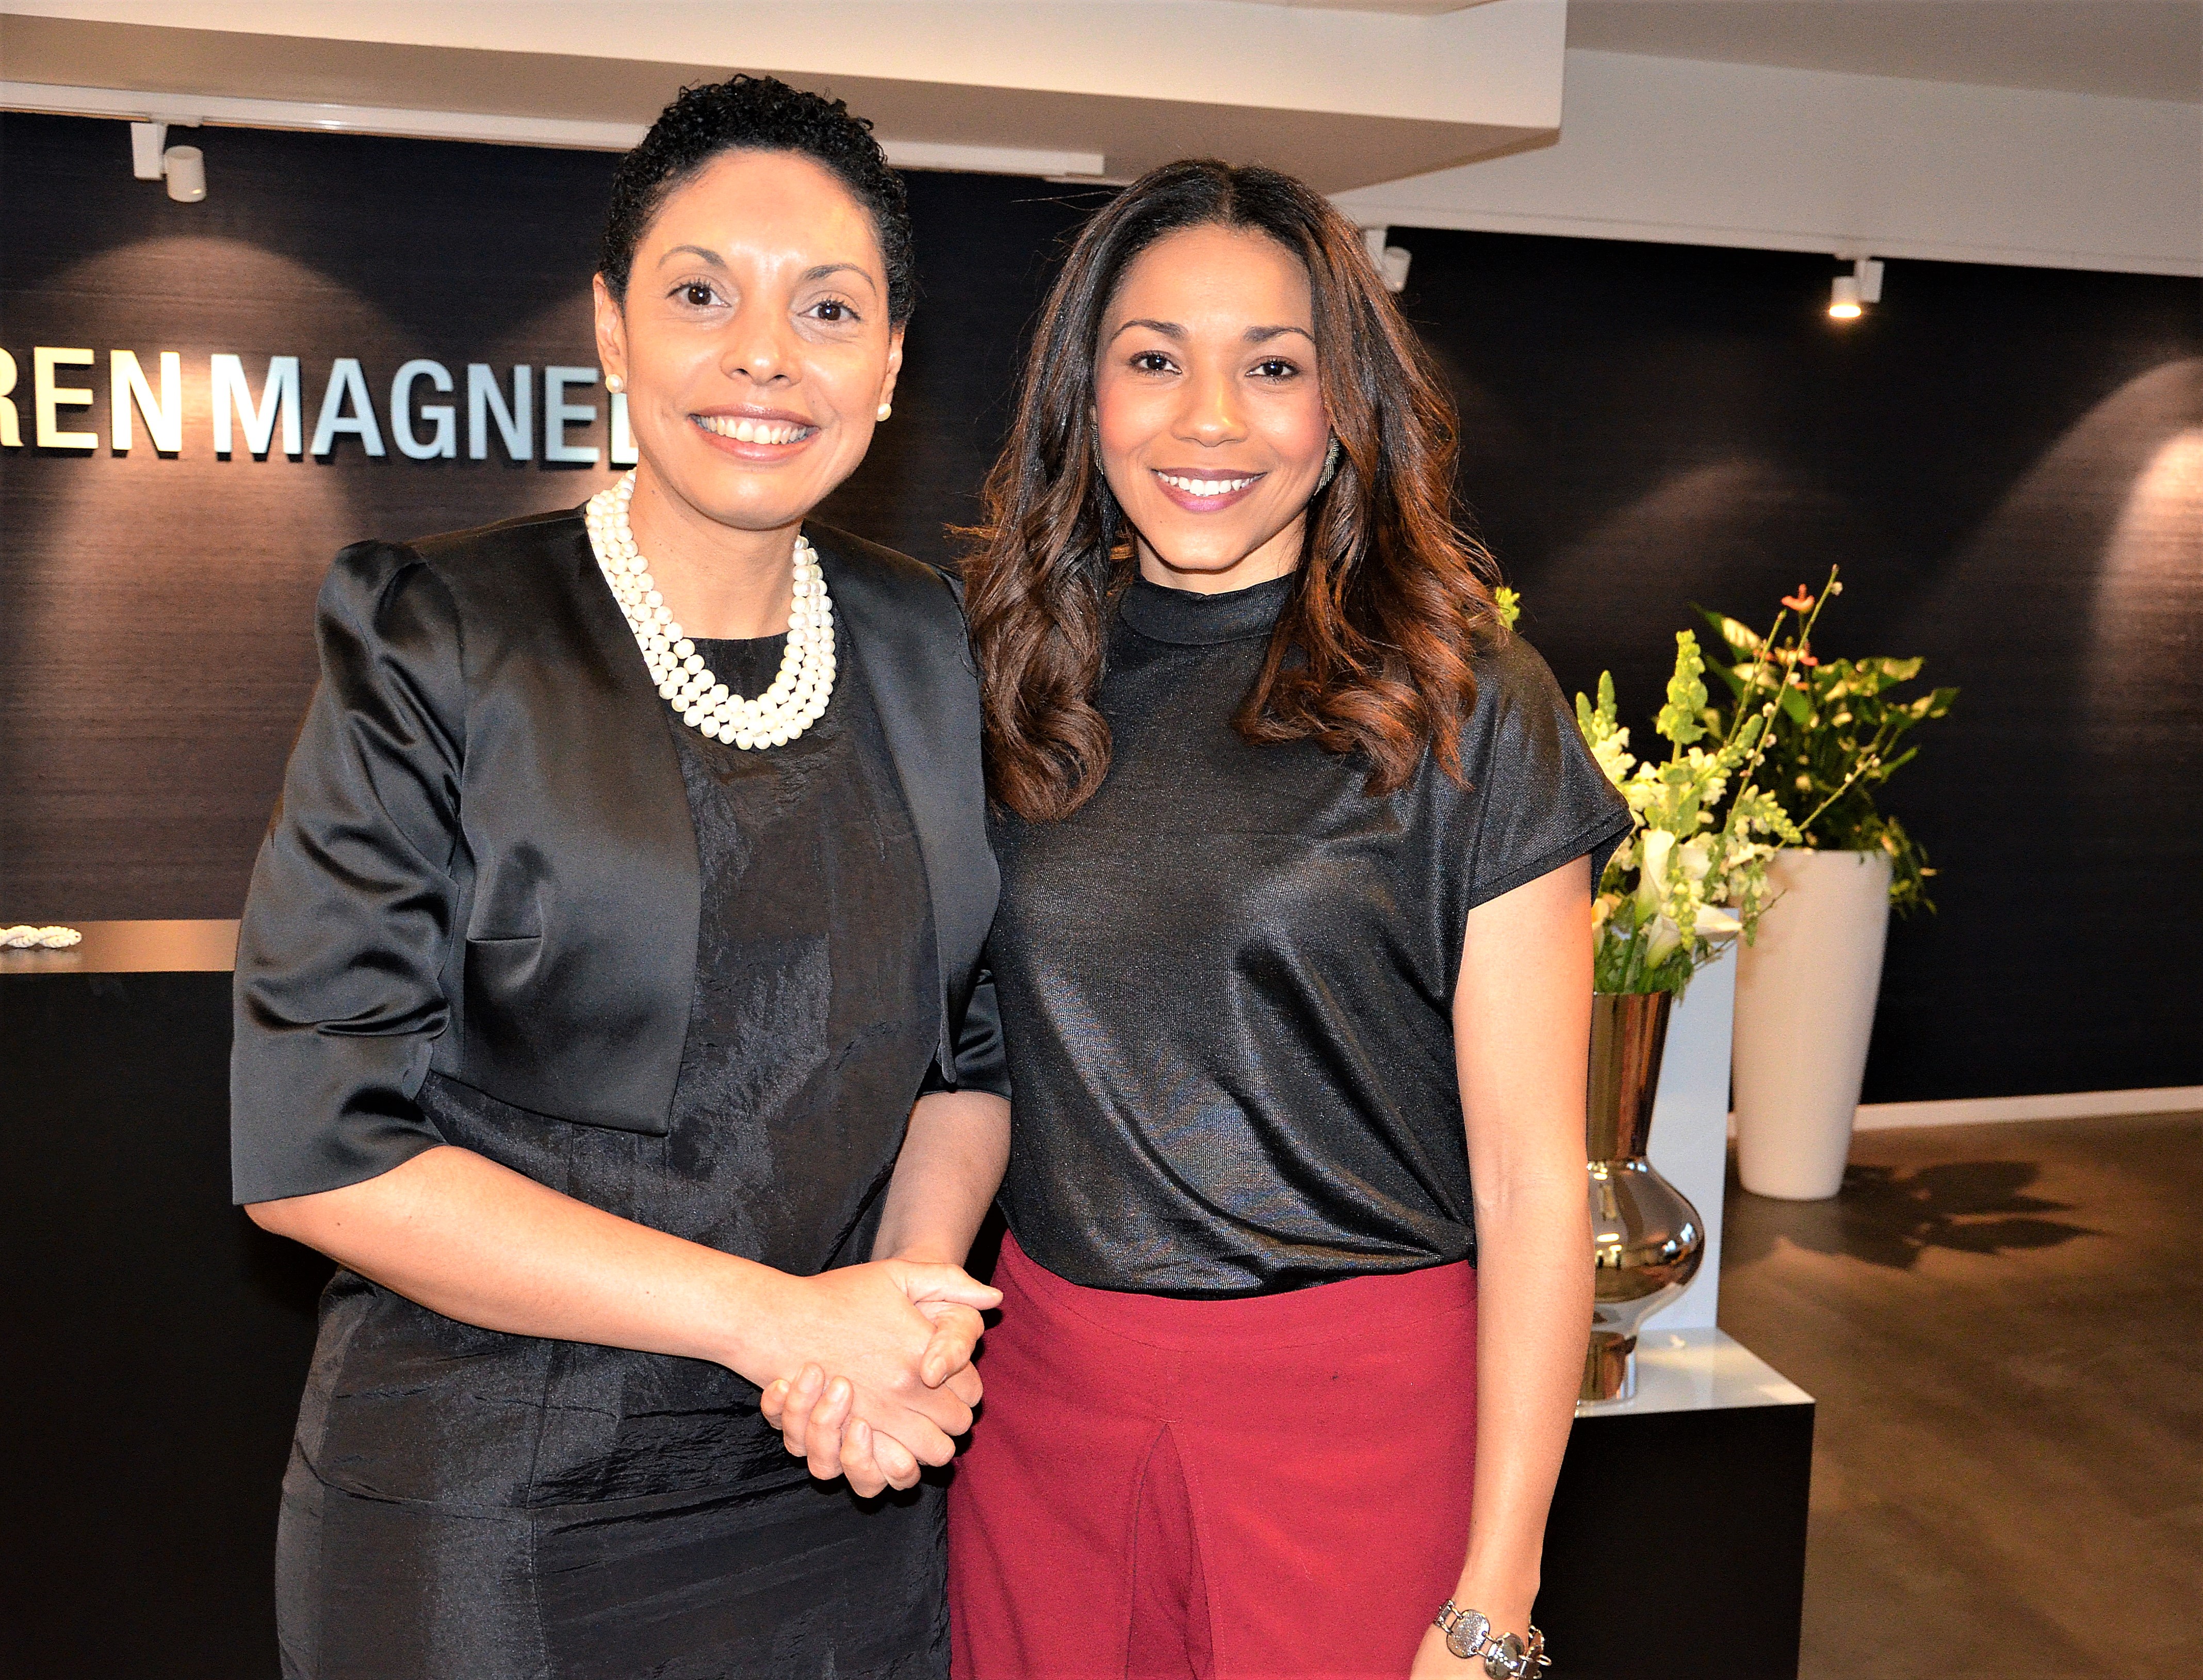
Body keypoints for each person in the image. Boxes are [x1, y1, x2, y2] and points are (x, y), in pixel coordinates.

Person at [771, 159, 1630, 1678]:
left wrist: (1497, 1591)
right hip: (1050, 1415)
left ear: (1344, 405)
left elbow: (1530, 1185)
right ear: (1087, 397)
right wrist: (909, 1295)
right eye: (1156, 360)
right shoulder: (1013, 675)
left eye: (1274, 366)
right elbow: (977, 1063)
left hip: (1358, 1432)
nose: (1210, 419)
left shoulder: (1467, 702)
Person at [231, 76, 1010, 1680]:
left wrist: (905, 1297)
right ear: (612, 325)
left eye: (828, 307)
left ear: (889, 361)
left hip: (830, 1492)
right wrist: (776, 1317)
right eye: (702, 293)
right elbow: (316, 1149)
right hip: (484, 1509)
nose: (764, 354)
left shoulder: (925, 640)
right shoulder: (445, 634)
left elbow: (971, 1054)